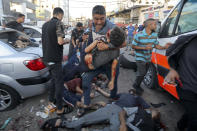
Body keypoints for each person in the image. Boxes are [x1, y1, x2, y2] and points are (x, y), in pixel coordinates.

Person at [41, 89, 155, 131]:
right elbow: (109, 95)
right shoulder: (123, 94)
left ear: (134, 93)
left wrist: (152, 115)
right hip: (112, 108)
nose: (131, 92)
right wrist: (99, 89)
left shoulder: (138, 98)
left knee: (115, 128)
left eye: (133, 91)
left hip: (123, 114)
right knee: (86, 119)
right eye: (130, 91)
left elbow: (149, 110)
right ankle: (63, 123)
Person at [82, 5, 121, 109]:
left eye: (102, 19)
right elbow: (87, 42)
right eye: (96, 19)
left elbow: (124, 43)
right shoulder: (91, 27)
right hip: (97, 62)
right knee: (85, 79)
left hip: (111, 62)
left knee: (113, 83)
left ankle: (112, 100)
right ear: (92, 17)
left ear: (106, 16)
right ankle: (86, 103)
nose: (99, 22)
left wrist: (107, 46)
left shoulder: (113, 27)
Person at [164, 33, 197, 131]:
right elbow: (169, 54)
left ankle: (180, 125)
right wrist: (172, 69)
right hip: (187, 87)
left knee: (192, 112)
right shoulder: (187, 40)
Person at [132, 18, 171, 95]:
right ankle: (136, 85)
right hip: (140, 58)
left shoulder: (154, 35)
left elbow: (156, 45)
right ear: (149, 25)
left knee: (144, 73)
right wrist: (144, 48)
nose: (156, 26)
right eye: (154, 24)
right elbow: (133, 46)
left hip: (148, 58)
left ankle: (137, 84)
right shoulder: (138, 35)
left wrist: (164, 47)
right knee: (142, 73)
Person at [42, 7, 68, 115]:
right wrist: (67, 40)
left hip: (46, 59)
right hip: (55, 59)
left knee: (53, 80)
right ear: (60, 14)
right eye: (62, 16)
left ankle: (51, 101)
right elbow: (60, 41)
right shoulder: (58, 23)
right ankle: (60, 108)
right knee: (58, 83)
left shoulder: (45, 25)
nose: (62, 18)